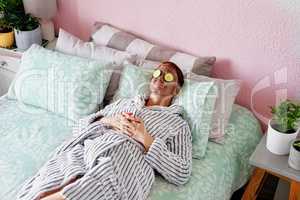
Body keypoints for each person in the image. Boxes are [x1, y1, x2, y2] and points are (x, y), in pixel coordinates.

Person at [17, 61, 192, 200]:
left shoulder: (177, 124)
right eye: (157, 72)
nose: (160, 77)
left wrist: (146, 138)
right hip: (89, 150)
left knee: (93, 183)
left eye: (168, 76)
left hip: (126, 163)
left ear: (177, 89)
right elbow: (79, 127)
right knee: (47, 183)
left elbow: (182, 172)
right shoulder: (124, 103)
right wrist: (110, 121)